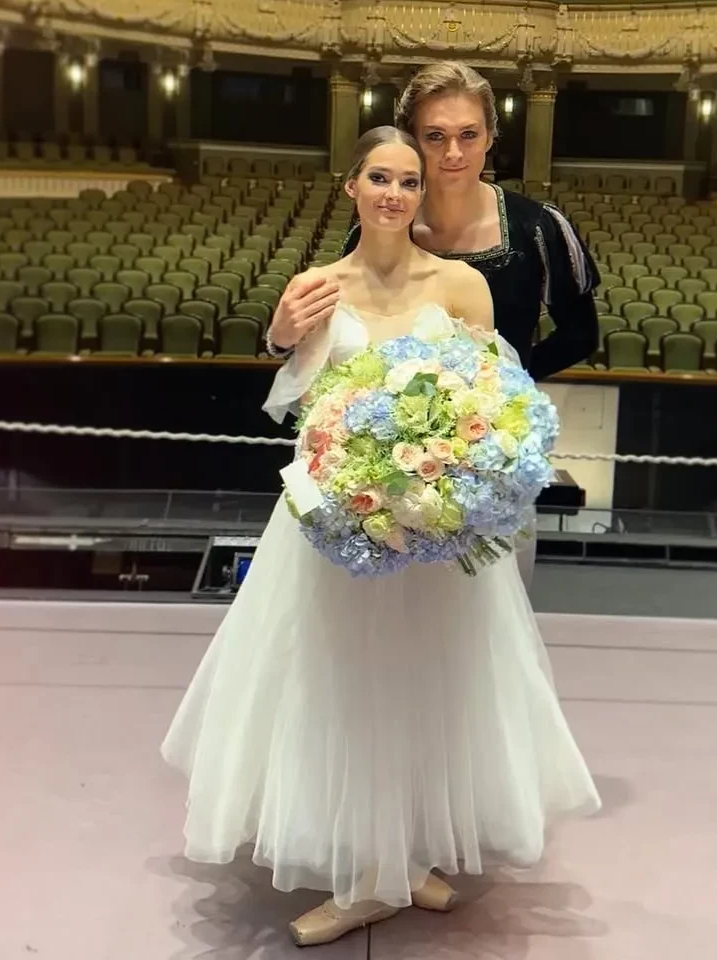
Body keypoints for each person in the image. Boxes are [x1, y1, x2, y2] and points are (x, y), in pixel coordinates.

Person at [163, 126, 601, 948]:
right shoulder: (318, 286)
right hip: (341, 525)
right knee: (347, 686)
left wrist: (454, 486)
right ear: (352, 187)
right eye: (379, 178)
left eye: (408, 181)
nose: (394, 194)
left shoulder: (464, 285)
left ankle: (399, 857)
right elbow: (295, 404)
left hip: (432, 532)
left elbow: (492, 402)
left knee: (425, 687)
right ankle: (366, 875)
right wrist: (282, 336)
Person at [268, 62, 600, 588]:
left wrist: (490, 401)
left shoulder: (538, 227)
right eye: (435, 137)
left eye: (469, 135)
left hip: (484, 450)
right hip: (392, 464)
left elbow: (582, 335)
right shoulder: (384, 218)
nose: (453, 153)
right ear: (411, 141)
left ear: (490, 137)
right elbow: (336, 337)